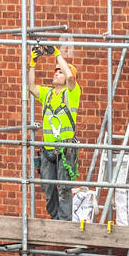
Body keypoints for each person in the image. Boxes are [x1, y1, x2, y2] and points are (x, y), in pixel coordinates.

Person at [28, 45, 81, 220]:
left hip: (65, 149)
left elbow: (71, 76)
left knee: (64, 188)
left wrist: (57, 55)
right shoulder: (48, 94)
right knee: (48, 188)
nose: (55, 73)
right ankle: (55, 218)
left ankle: (64, 222)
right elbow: (31, 87)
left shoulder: (72, 93)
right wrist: (33, 63)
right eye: (55, 71)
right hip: (48, 149)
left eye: (59, 72)